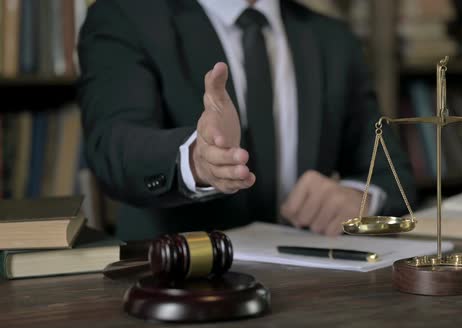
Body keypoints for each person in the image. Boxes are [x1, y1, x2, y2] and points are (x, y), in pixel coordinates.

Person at [77, 0, 415, 241]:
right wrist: (196, 160)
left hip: (316, 286)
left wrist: (360, 197)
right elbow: (112, 146)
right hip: (177, 284)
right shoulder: (122, 15)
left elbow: (391, 172)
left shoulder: (334, 40)